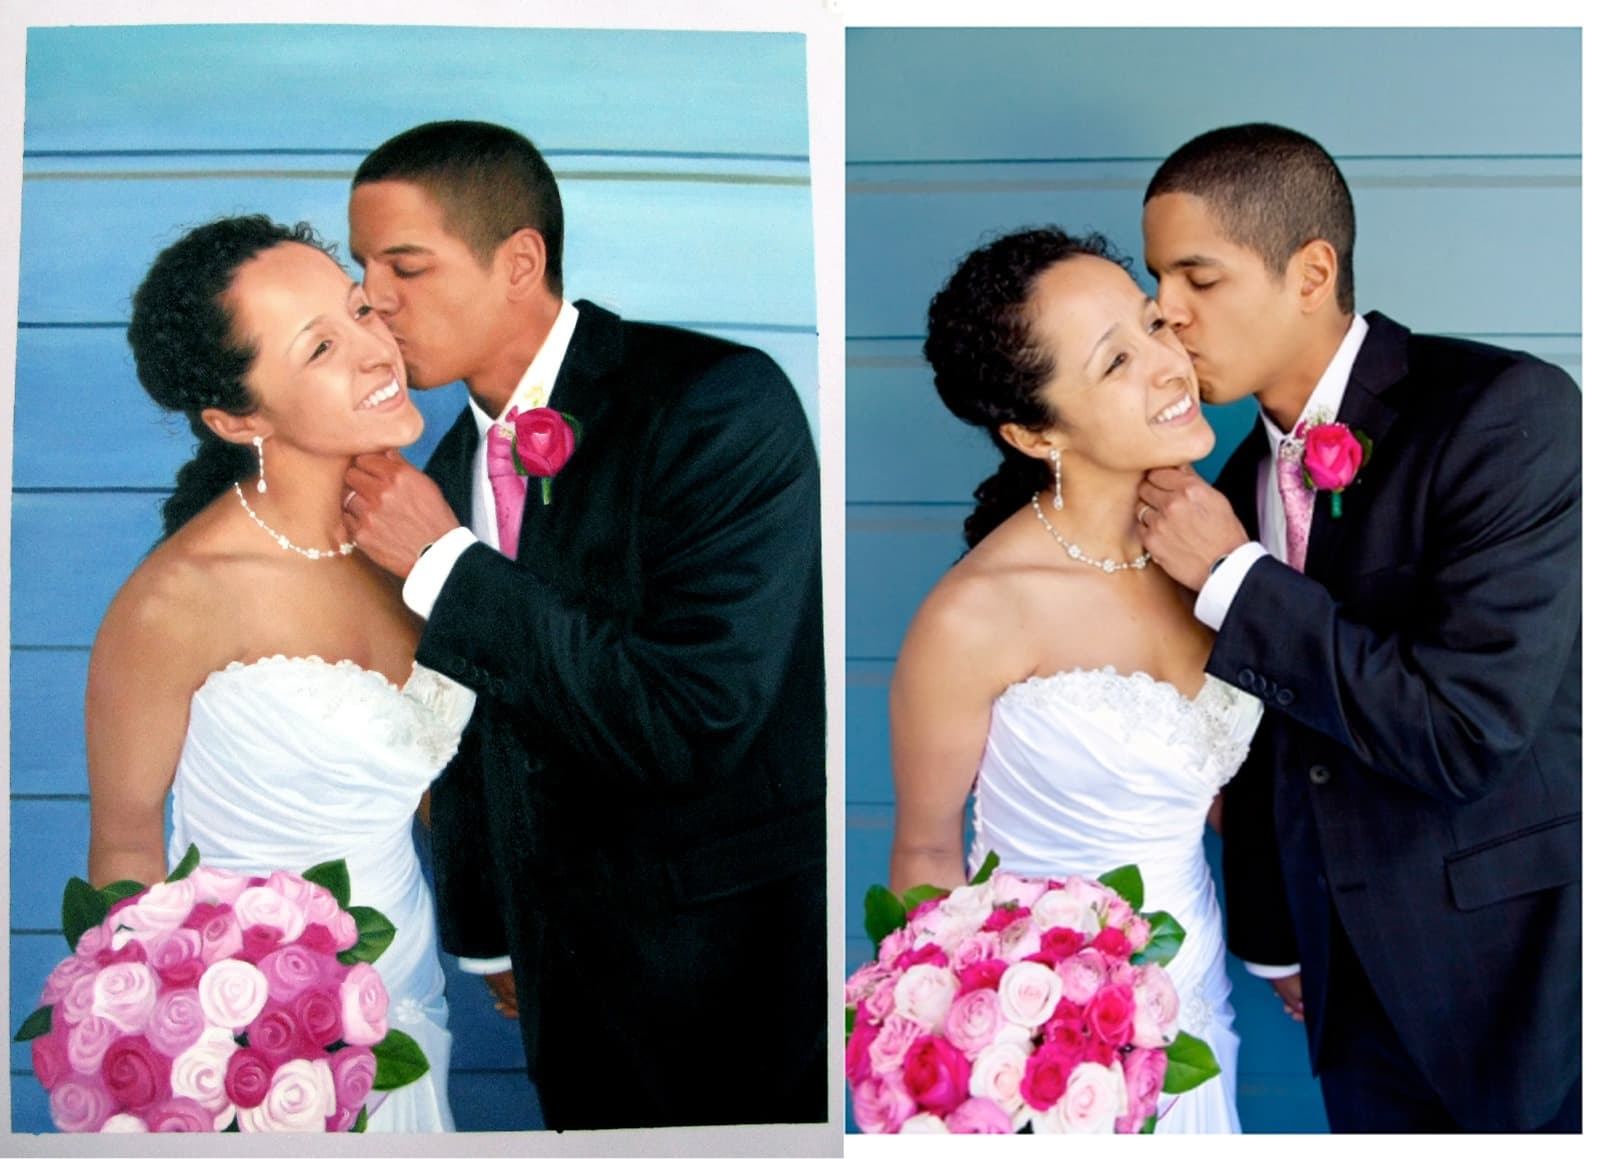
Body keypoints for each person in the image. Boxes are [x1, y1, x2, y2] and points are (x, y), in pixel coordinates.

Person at [339, 120, 826, 1130]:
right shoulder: (435, 480)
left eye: (406, 266)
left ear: (519, 262)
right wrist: (487, 930)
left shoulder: (715, 403)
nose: (371, 298)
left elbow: (693, 715)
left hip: (731, 970)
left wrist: (445, 566)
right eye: (362, 268)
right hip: (556, 978)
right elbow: (466, 728)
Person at [1136, 123, 1581, 1133]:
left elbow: (1464, 727)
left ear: (1310, 270)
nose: (1165, 311)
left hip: (1520, 982)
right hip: (1342, 990)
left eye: (1196, 277)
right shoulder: (1224, 485)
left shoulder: (1508, 414)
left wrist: (1232, 578)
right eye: (1157, 279)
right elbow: (1258, 741)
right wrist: (1278, 937)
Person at [86, 215, 471, 1132]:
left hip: (409, 979)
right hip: (248, 1035)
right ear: (236, 418)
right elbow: (127, 846)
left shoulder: (421, 534)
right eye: (323, 347)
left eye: (358, 312)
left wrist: (499, 940)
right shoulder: (178, 598)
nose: (378, 349)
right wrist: (161, 1067)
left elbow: (431, 788)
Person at [889, 226, 1254, 1133]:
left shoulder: (1221, 549)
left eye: (1151, 326)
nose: (1171, 364)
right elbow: (929, 854)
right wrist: (948, 1069)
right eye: (1117, 361)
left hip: (1198, 999)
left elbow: (1226, 796)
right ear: (1034, 430)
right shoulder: (977, 614)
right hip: (1040, 1052)